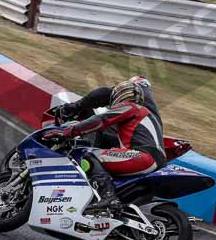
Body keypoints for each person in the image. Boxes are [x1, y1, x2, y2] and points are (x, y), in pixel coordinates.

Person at [44, 78, 165, 212]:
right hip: (155, 159)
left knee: (88, 156)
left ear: (122, 94)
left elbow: (101, 120)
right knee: (106, 155)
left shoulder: (130, 106)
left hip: (143, 156)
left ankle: (108, 197)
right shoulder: (148, 114)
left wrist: (68, 132)